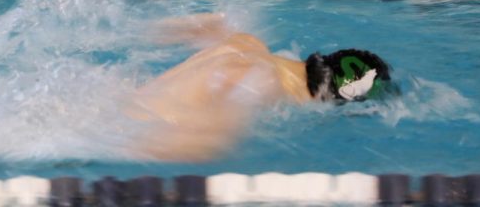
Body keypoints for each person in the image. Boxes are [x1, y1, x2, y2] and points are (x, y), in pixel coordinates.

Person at [130, 14, 395, 161]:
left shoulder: (248, 42)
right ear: (333, 103)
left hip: (120, 98)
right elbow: (202, 140)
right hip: (123, 126)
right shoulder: (265, 83)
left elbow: (203, 26)